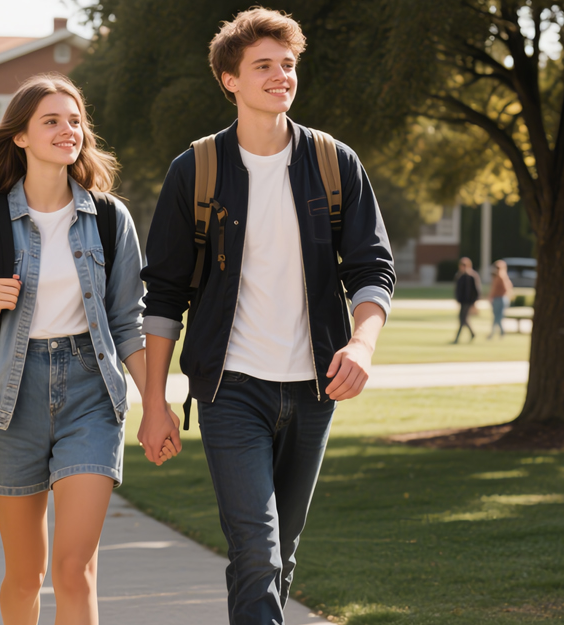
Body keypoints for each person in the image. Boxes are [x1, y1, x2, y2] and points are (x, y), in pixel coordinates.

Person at [136, 8, 394, 624]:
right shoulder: (195, 170)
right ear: (230, 80)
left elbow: (372, 268)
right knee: (257, 549)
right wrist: (153, 402)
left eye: (288, 64)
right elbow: (164, 295)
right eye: (264, 66)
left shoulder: (334, 163)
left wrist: (362, 344)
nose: (281, 76)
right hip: (230, 389)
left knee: (282, 553)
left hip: (314, 388)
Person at [0, 73, 177, 625]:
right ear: (20, 136)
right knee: (25, 575)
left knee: (74, 567)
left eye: (76, 120)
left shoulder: (109, 219)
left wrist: (156, 404)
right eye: (52, 121)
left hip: (91, 393)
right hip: (8, 402)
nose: (69, 130)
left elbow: (128, 322)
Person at [452, 257, 482, 344]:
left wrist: (474, 302)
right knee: (463, 319)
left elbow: (476, 291)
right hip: (462, 301)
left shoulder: (471, 277)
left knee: (463, 319)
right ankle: (472, 333)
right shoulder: (459, 276)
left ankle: (457, 338)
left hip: (468, 302)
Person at [487, 259, 513, 339]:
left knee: (497, 317)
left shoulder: (500, 277)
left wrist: (491, 296)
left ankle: (495, 333)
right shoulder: (503, 277)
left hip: (499, 299)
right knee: (498, 317)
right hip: (501, 299)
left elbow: (496, 289)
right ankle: (499, 332)